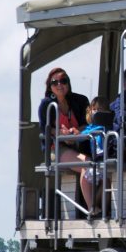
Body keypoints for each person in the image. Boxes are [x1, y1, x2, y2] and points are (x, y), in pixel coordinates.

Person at [37, 68, 94, 214]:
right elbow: (45, 129)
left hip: (79, 145)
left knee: (97, 167)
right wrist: (59, 133)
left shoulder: (80, 100)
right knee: (86, 165)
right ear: (50, 86)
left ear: (68, 83)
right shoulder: (47, 104)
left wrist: (76, 131)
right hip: (57, 147)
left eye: (63, 81)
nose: (59, 84)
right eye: (54, 82)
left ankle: (98, 206)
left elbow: (86, 123)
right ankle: (92, 209)